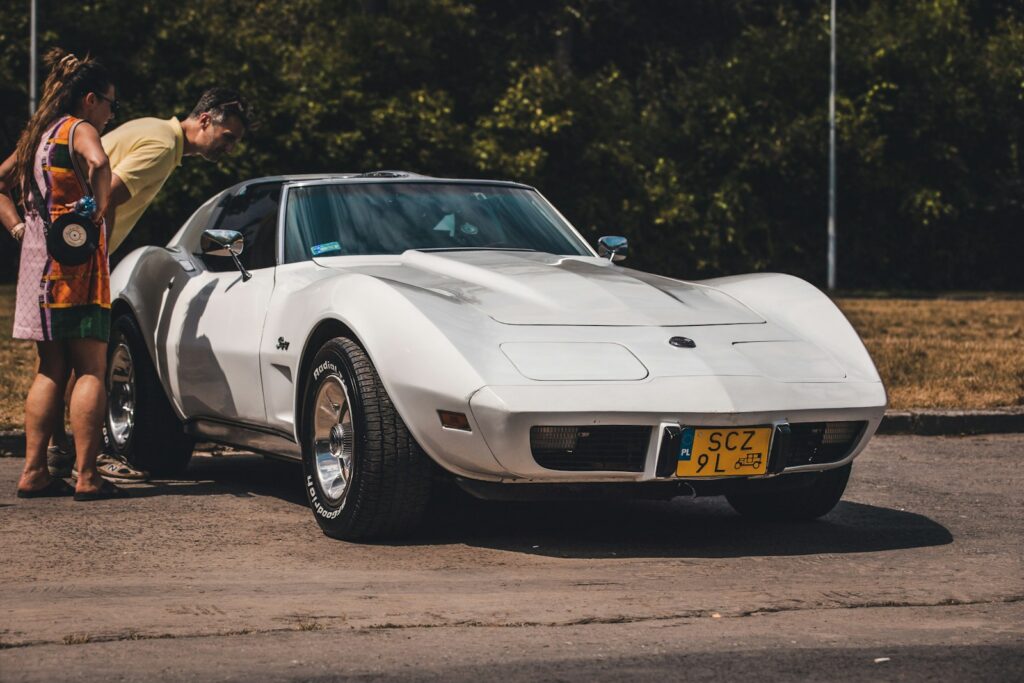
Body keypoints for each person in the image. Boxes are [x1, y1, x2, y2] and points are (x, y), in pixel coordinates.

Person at [44, 87, 252, 482]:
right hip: (78, 256)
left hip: (62, 249)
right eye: (227, 138)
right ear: (204, 120)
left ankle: (57, 452)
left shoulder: (154, 132)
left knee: (60, 359)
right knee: (89, 363)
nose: (229, 149)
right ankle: (90, 458)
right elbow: (106, 195)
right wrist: (95, 259)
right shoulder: (160, 146)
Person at [0, 48, 125, 500]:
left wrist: (18, 228)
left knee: (50, 367)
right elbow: (99, 163)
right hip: (77, 269)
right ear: (90, 99)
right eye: (110, 103)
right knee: (90, 368)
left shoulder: (39, 136)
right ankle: (88, 476)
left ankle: (34, 471)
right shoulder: (79, 128)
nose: (111, 114)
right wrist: (98, 211)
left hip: (38, 267)